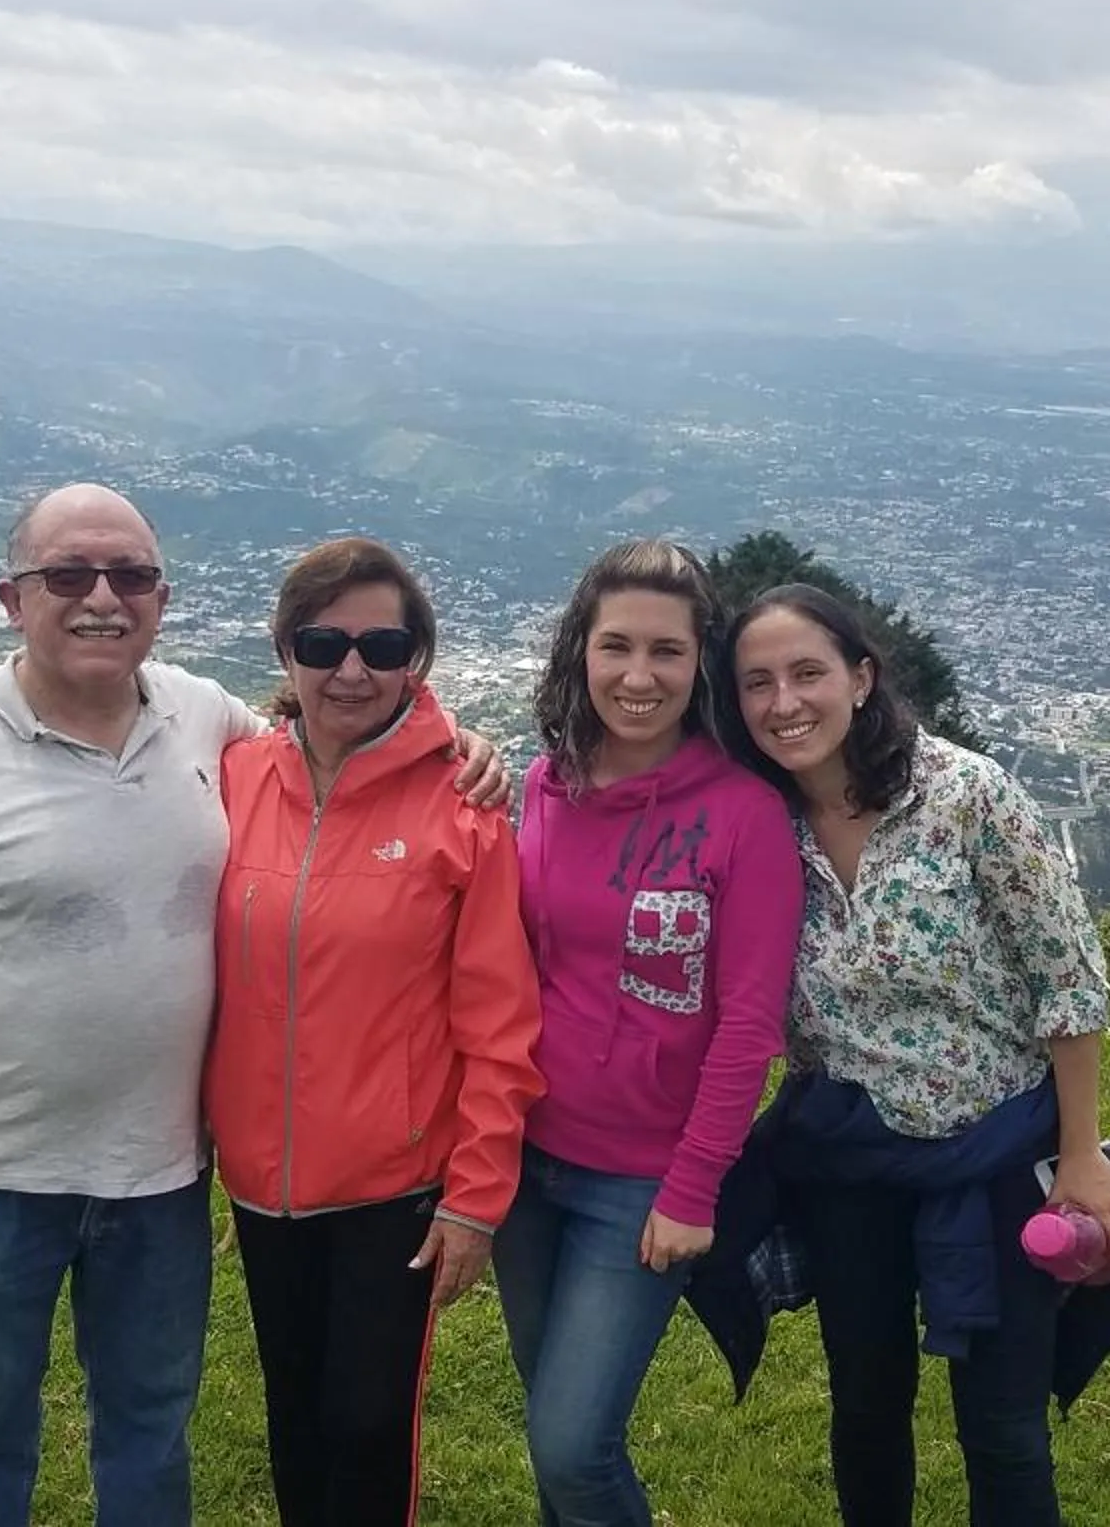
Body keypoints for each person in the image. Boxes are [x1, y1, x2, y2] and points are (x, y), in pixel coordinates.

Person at [0, 485, 505, 1527]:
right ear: (13, 597)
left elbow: (350, 736)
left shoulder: (203, 720)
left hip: (159, 1174)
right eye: (69, 575)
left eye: (130, 576)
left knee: (148, 1428)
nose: (102, 597)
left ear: (162, 597)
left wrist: (469, 746)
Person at [713, 583, 1110, 1527]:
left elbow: (1066, 979)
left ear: (862, 679)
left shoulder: (965, 795)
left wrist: (1082, 1156)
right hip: (849, 1153)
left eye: (806, 673)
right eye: (757, 683)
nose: (783, 702)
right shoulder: (752, 823)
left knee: (1000, 1424)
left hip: (993, 1143)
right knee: (866, 1408)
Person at [203, 536, 545, 1527]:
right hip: (262, 1181)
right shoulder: (231, 776)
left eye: (382, 643)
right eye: (323, 641)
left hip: (394, 1184)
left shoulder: (462, 805)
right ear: (286, 651)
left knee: (365, 1423)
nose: (351, 668)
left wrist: (477, 1199)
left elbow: (499, 1018)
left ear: (416, 657)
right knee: (294, 1417)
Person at [493, 540, 802, 1527]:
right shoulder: (546, 782)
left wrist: (692, 1183)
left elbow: (750, 1021)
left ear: (699, 661)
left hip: (639, 1183)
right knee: (552, 1428)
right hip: (524, 1160)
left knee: (576, 1445)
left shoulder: (743, 814)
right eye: (616, 645)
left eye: (666, 651)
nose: (638, 675)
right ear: (579, 652)